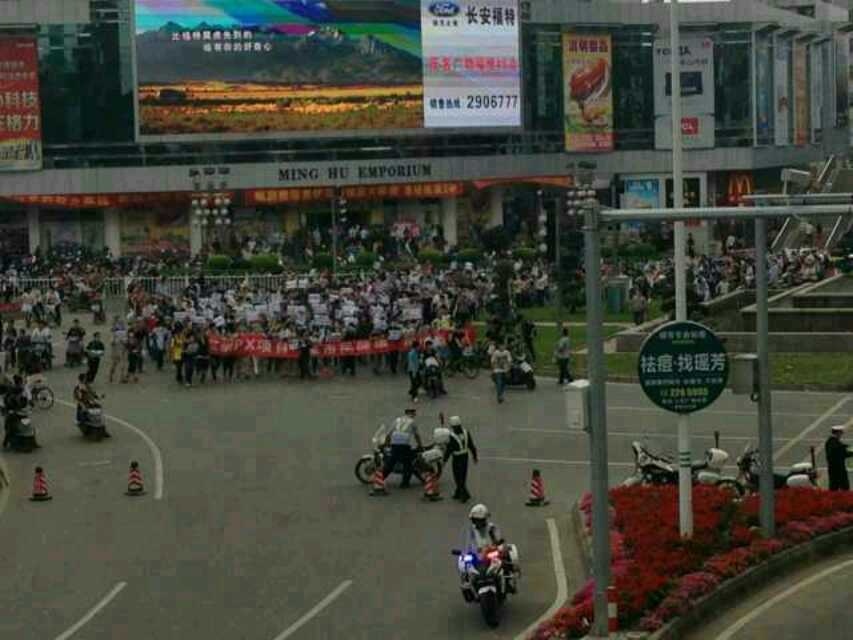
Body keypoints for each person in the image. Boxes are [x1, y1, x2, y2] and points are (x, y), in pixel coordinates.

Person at [383, 407, 423, 488]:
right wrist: (420, 445)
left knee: (391, 462)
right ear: (411, 414)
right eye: (414, 413)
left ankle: (380, 478)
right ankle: (405, 483)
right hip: (404, 444)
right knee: (407, 464)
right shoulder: (412, 422)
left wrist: (386, 444)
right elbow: (417, 435)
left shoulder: (397, 420)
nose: (414, 415)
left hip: (394, 443)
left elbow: (388, 433)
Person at [443, 415, 478, 502]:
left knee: (457, 476)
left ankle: (464, 494)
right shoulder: (466, 432)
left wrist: (444, 460)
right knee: (463, 475)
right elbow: (471, 445)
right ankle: (458, 492)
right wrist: (474, 456)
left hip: (457, 457)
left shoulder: (452, 436)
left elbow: (449, 449)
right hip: (465, 456)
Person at [73, 372, 110, 437]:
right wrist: (82, 405)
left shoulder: (87, 386)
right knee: (83, 415)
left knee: (100, 411)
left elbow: (93, 393)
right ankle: (85, 428)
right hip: (83, 404)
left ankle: (103, 430)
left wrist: (100, 397)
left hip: (90, 403)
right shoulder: (78, 388)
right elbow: (78, 399)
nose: (85, 379)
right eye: (85, 378)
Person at [825, 425, 853, 491]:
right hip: (838, 469)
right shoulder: (835, 444)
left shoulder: (831, 441)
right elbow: (843, 453)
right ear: (837, 433)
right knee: (844, 487)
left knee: (834, 487)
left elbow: (843, 447)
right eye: (841, 433)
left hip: (833, 469)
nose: (841, 435)